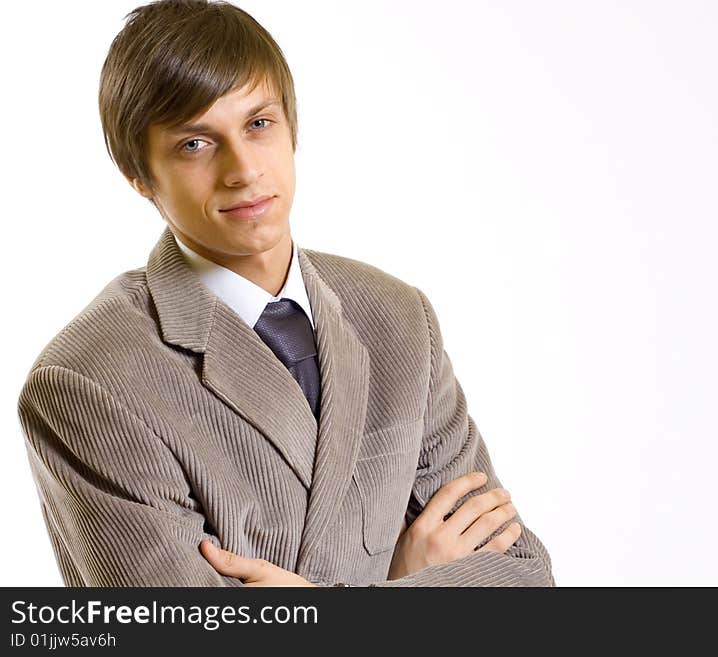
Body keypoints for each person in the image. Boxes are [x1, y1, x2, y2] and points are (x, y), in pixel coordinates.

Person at [17, 0, 554, 587]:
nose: (243, 169)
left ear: (291, 128)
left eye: (258, 124)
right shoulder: (90, 380)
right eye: (195, 144)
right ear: (139, 175)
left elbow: (521, 577)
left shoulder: (398, 319)